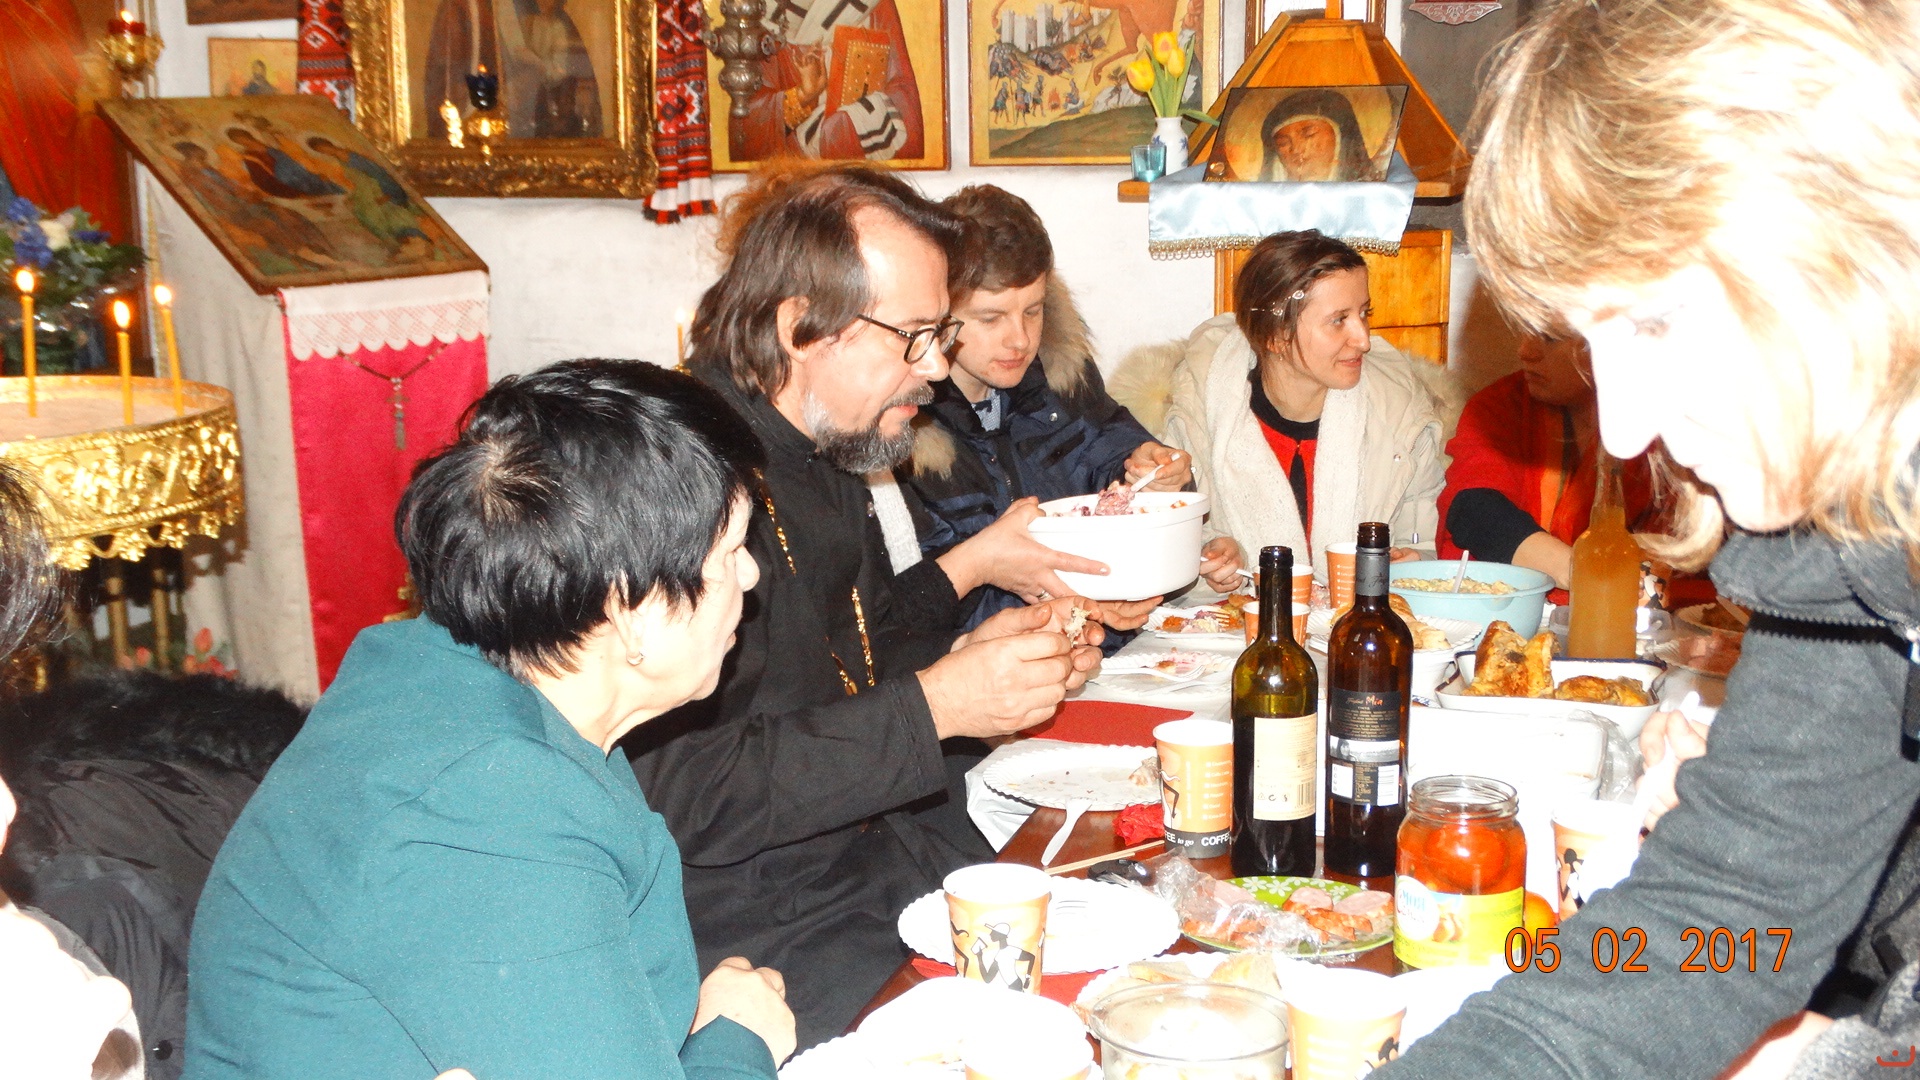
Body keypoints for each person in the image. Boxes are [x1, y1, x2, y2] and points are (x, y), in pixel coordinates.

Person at [1374, 1, 1920, 1077]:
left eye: (1656, 321)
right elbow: (1718, 920)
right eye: (1594, 340)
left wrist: (1847, 1055)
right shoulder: (1837, 544)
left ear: (1846, 233)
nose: (1624, 428)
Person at [628, 165, 1136, 1048]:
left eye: (940, 335)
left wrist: (983, 663)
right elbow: (679, 790)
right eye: (915, 338)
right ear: (799, 327)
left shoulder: (831, 441)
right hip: (764, 935)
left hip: (891, 861)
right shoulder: (676, 481)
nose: (936, 369)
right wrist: (937, 706)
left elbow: (853, 655)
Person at [186, 360, 795, 1078]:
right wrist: (737, 1039)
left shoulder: (458, 671)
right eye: (731, 551)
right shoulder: (483, 811)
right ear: (630, 608)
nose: (751, 576)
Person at [898, 183, 1239, 627]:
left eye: (1033, 311)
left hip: (1103, 641)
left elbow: (1117, 461)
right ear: (940, 314)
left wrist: (1157, 477)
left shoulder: (1061, 380)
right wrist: (1076, 606)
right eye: (991, 318)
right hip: (995, 655)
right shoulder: (902, 429)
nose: (1020, 339)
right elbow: (920, 612)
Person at [1115, 229, 1447, 581]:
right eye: (1339, 320)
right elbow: (1160, 555)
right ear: (1275, 336)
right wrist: (1215, 559)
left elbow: (1429, 542)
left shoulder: (1398, 411)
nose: (1363, 339)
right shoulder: (1199, 409)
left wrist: (1417, 564)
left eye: (1365, 313)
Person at [1436, 330, 1654, 591]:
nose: (1525, 351)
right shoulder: (1502, 405)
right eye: (1523, 330)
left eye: (1550, 337)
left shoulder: (1669, 422)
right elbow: (1474, 509)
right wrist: (1587, 575)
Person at [727, 0, 924, 162]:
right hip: (794, 175)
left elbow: (903, 94)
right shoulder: (759, 10)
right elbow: (747, 128)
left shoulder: (871, 4)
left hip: (860, 166)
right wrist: (802, 96)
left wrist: (851, 123)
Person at [1258, 87, 1371, 182]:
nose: (1296, 149)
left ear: (1339, 138)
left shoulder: (1369, 192)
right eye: (1283, 143)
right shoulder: (1267, 198)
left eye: (1309, 133)